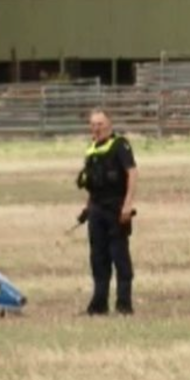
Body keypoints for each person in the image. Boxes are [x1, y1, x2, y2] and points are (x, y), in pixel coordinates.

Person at [76, 108, 138, 315]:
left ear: (109, 125)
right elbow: (92, 183)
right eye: (93, 124)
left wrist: (128, 204)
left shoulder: (120, 145)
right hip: (96, 210)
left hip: (116, 209)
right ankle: (98, 306)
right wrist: (87, 209)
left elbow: (132, 173)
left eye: (100, 124)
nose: (96, 128)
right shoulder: (92, 149)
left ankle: (124, 306)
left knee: (119, 257)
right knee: (98, 259)